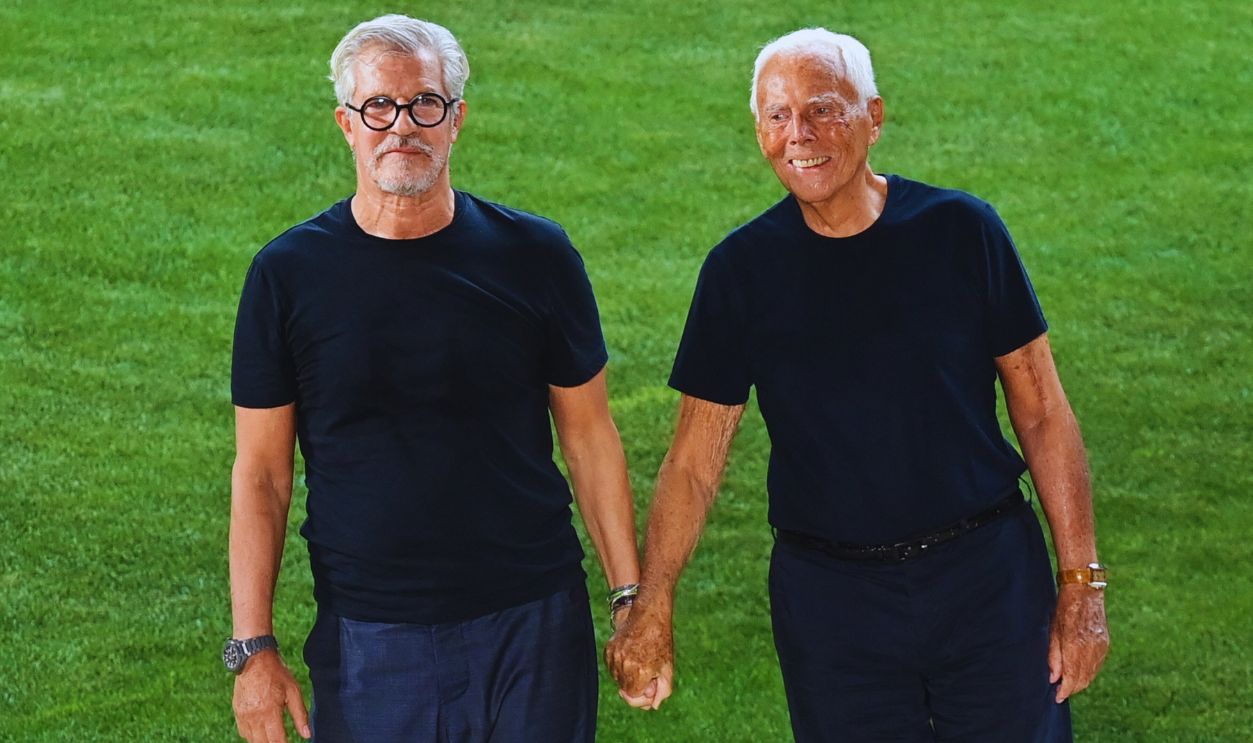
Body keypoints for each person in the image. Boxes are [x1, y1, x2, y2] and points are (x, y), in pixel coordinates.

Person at [606, 28, 1109, 741]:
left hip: (987, 580)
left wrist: (1082, 584)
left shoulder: (962, 231)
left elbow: (1043, 412)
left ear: (873, 116)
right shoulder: (739, 272)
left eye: (822, 109)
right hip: (831, 606)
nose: (799, 134)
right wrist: (653, 603)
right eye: (777, 116)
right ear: (759, 132)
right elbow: (693, 463)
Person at [226, 15, 639, 743]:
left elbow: (588, 434)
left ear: (456, 118)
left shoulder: (537, 256)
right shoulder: (286, 276)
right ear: (346, 124)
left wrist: (630, 597)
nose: (401, 125)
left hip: (534, 623)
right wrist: (253, 649)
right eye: (378, 107)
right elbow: (261, 473)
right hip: (370, 637)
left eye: (424, 103)